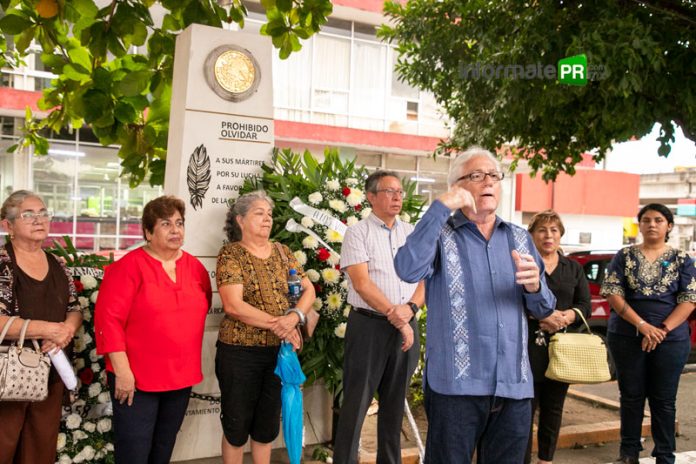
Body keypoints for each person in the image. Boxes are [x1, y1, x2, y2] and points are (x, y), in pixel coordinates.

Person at [394, 146, 558, 463]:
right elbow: (407, 268)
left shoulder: (521, 238)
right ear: (458, 187)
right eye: (477, 175)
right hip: (456, 386)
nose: (488, 182)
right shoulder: (441, 234)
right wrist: (439, 208)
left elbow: (544, 308)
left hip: (513, 385)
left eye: (494, 176)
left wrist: (535, 286)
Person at [94, 195, 212, 464]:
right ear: (148, 232)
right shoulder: (126, 268)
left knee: (163, 449)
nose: (175, 230)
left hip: (180, 377)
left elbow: (203, 305)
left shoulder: (195, 268)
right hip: (136, 380)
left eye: (179, 223)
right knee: (134, 453)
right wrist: (123, 373)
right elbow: (108, 322)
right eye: (165, 224)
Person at [215, 190, 315, 464]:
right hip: (239, 352)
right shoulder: (231, 254)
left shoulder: (283, 252)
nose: (266, 219)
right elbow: (233, 305)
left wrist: (294, 318)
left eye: (269, 214)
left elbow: (309, 291)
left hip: (277, 353)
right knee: (236, 427)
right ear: (240, 220)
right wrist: (281, 324)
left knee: (266, 426)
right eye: (259, 214)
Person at [333, 171, 425, 464]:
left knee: (395, 406)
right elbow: (361, 283)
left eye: (400, 191)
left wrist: (409, 310)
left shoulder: (412, 233)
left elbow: (426, 279)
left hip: (406, 324)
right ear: (371, 197)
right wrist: (395, 315)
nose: (397, 196)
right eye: (389, 191)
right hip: (369, 327)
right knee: (356, 405)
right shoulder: (358, 233)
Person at [601, 203, 696, 464]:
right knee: (631, 396)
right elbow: (613, 293)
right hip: (626, 336)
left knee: (664, 400)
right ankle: (629, 453)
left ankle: (665, 455)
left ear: (669, 226)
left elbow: (689, 299)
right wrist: (642, 325)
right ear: (639, 225)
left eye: (658, 220)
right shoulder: (624, 255)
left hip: (671, 339)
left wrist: (661, 330)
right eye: (646, 220)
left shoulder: (682, 259)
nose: (652, 224)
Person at [0, 190, 83, 464]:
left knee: (40, 448)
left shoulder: (57, 263)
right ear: (7, 225)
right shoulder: (3, 263)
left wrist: (65, 332)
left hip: (49, 373)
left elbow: (74, 309)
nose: (39, 220)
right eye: (28, 215)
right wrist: (47, 330)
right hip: (7, 377)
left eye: (43, 213)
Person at [524, 210, 591, 464]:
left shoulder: (572, 268)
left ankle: (546, 459)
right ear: (532, 235)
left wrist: (566, 317)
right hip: (528, 346)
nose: (548, 235)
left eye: (553, 230)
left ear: (561, 235)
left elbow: (584, 304)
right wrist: (540, 316)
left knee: (553, 408)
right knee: (524, 410)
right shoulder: (525, 264)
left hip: (562, 348)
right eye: (542, 230)